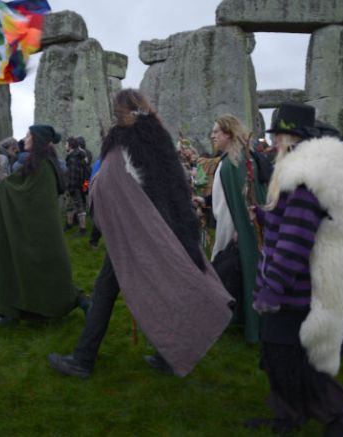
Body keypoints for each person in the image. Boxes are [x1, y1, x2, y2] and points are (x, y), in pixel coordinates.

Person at [48, 89, 233, 379]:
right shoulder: (158, 136)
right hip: (164, 228)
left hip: (141, 234)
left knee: (110, 291)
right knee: (133, 288)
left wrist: (98, 192)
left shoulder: (124, 142)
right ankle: (166, 355)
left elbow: (108, 184)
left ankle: (83, 360)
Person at [247, 103, 343, 435]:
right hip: (293, 289)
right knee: (276, 358)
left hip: (293, 293)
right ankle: (286, 419)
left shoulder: (303, 177)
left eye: (277, 136)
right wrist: (266, 215)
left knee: (292, 363)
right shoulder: (305, 174)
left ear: (289, 138)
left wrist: (272, 289)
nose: (273, 145)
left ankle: (340, 415)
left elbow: (295, 242)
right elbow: (292, 223)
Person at [0, 124, 90, 326]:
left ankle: (80, 300)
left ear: (38, 140)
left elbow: (29, 196)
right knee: (21, 267)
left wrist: (6, 187)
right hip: (32, 228)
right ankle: (12, 311)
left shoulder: (43, 165)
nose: (24, 139)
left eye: (28, 136)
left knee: (47, 271)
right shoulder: (36, 162)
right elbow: (20, 186)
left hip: (40, 229)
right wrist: (6, 183)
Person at [199, 114, 266, 344]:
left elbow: (235, 206)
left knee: (237, 271)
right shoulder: (238, 159)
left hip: (239, 230)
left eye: (216, 131)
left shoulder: (233, 163)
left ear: (228, 133)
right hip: (242, 227)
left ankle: (249, 324)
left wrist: (232, 234)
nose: (212, 135)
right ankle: (242, 318)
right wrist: (206, 204)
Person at [64, 136, 89, 236]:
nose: (65, 146)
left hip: (75, 186)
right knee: (70, 206)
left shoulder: (74, 156)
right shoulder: (81, 154)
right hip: (81, 184)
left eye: (66, 144)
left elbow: (73, 173)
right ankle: (69, 224)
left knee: (79, 207)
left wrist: (72, 188)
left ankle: (82, 229)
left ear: (70, 145)